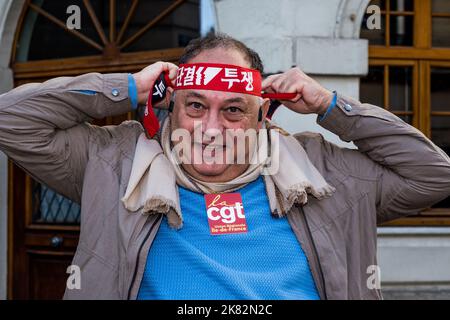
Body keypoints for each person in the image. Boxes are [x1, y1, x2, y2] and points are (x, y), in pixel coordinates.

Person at [0, 33, 449, 300]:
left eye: (234, 110)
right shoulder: (115, 164)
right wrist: (126, 89)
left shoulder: (322, 173)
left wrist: (331, 106)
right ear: (170, 109)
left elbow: (434, 174)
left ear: (263, 117)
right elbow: (11, 121)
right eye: (195, 106)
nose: (210, 128)